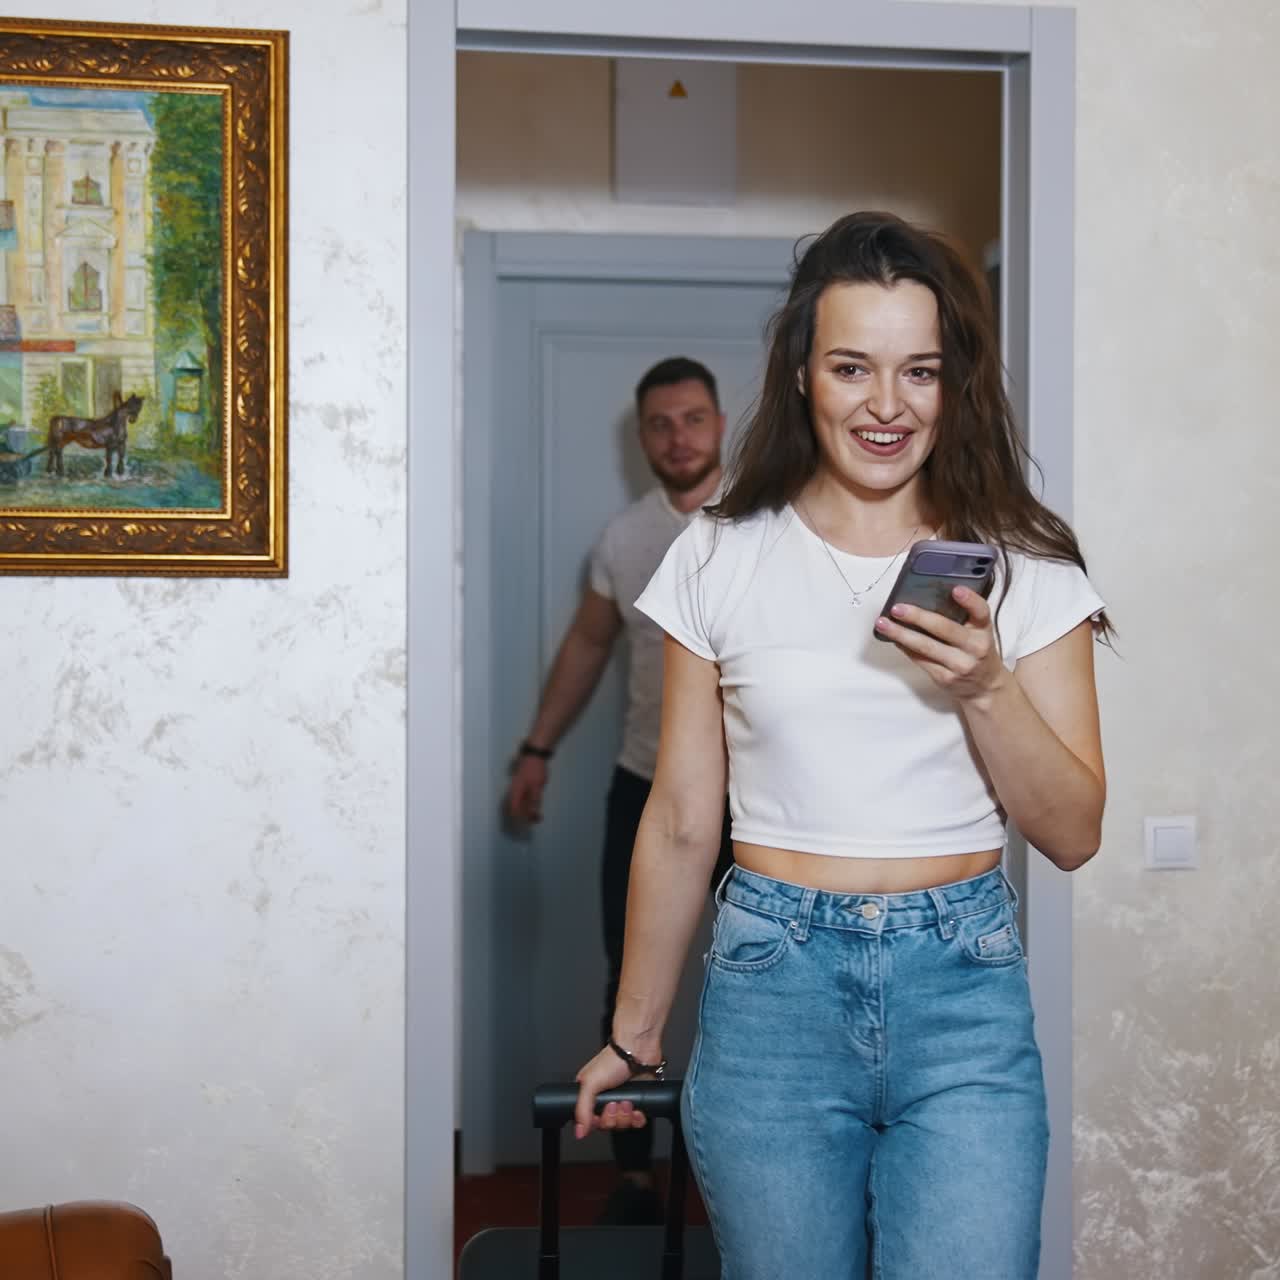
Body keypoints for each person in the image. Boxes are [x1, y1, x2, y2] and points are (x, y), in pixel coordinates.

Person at [572, 212, 1110, 1278]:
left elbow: (1073, 832)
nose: (886, 404)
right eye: (851, 367)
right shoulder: (718, 552)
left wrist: (985, 685)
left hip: (962, 990)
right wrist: (634, 1031)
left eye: (920, 371)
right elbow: (680, 819)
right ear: (801, 375)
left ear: (955, 384)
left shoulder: (1026, 560)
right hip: (773, 986)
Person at [506, 356, 736, 1225]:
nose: (678, 438)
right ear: (640, 437)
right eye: (660, 424)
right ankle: (637, 1177)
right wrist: (537, 749)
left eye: (694, 419)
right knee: (629, 971)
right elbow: (587, 646)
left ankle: (742, 1172)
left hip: (756, 798)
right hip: (645, 783)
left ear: (721, 424)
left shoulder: (766, 518)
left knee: (757, 975)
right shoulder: (624, 538)